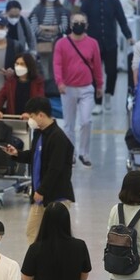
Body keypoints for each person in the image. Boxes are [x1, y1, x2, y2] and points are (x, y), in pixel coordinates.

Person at [4, 97, 74, 245]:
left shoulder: (58, 138)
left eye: (31, 116)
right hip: (40, 197)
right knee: (32, 232)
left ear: (41, 115)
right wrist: (17, 154)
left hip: (56, 196)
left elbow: (55, 168)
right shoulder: (39, 133)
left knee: (57, 236)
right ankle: (36, 259)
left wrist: (42, 190)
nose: (30, 120)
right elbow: (35, 155)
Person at [53, 12, 103, 168]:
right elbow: (57, 64)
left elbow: (97, 65)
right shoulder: (61, 43)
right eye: (76, 21)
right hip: (68, 88)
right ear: (70, 24)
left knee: (86, 121)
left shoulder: (93, 43)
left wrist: (99, 84)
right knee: (68, 124)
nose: (78, 24)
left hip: (86, 87)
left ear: (86, 25)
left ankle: (84, 153)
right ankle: (70, 154)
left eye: (82, 22)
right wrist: (60, 82)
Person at [81, 0, 133, 114]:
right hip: (93, 45)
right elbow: (81, 19)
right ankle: (97, 102)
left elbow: (122, 20)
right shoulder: (88, 2)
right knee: (95, 73)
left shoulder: (113, 1)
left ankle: (109, 94)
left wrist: (128, 36)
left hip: (110, 43)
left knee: (112, 71)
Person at [29, 0, 70, 82]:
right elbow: (34, 27)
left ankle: (55, 86)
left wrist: (45, 27)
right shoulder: (37, 9)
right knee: (44, 70)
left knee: (56, 68)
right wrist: (51, 29)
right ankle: (46, 86)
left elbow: (64, 27)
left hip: (57, 44)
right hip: (42, 44)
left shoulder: (62, 9)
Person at [0, 54, 45, 118]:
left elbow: (40, 101)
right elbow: (1, 96)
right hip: (13, 118)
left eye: (22, 64)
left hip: (31, 119)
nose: (19, 66)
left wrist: (31, 113)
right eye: (17, 64)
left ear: (29, 66)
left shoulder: (38, 82)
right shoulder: (10, 81)